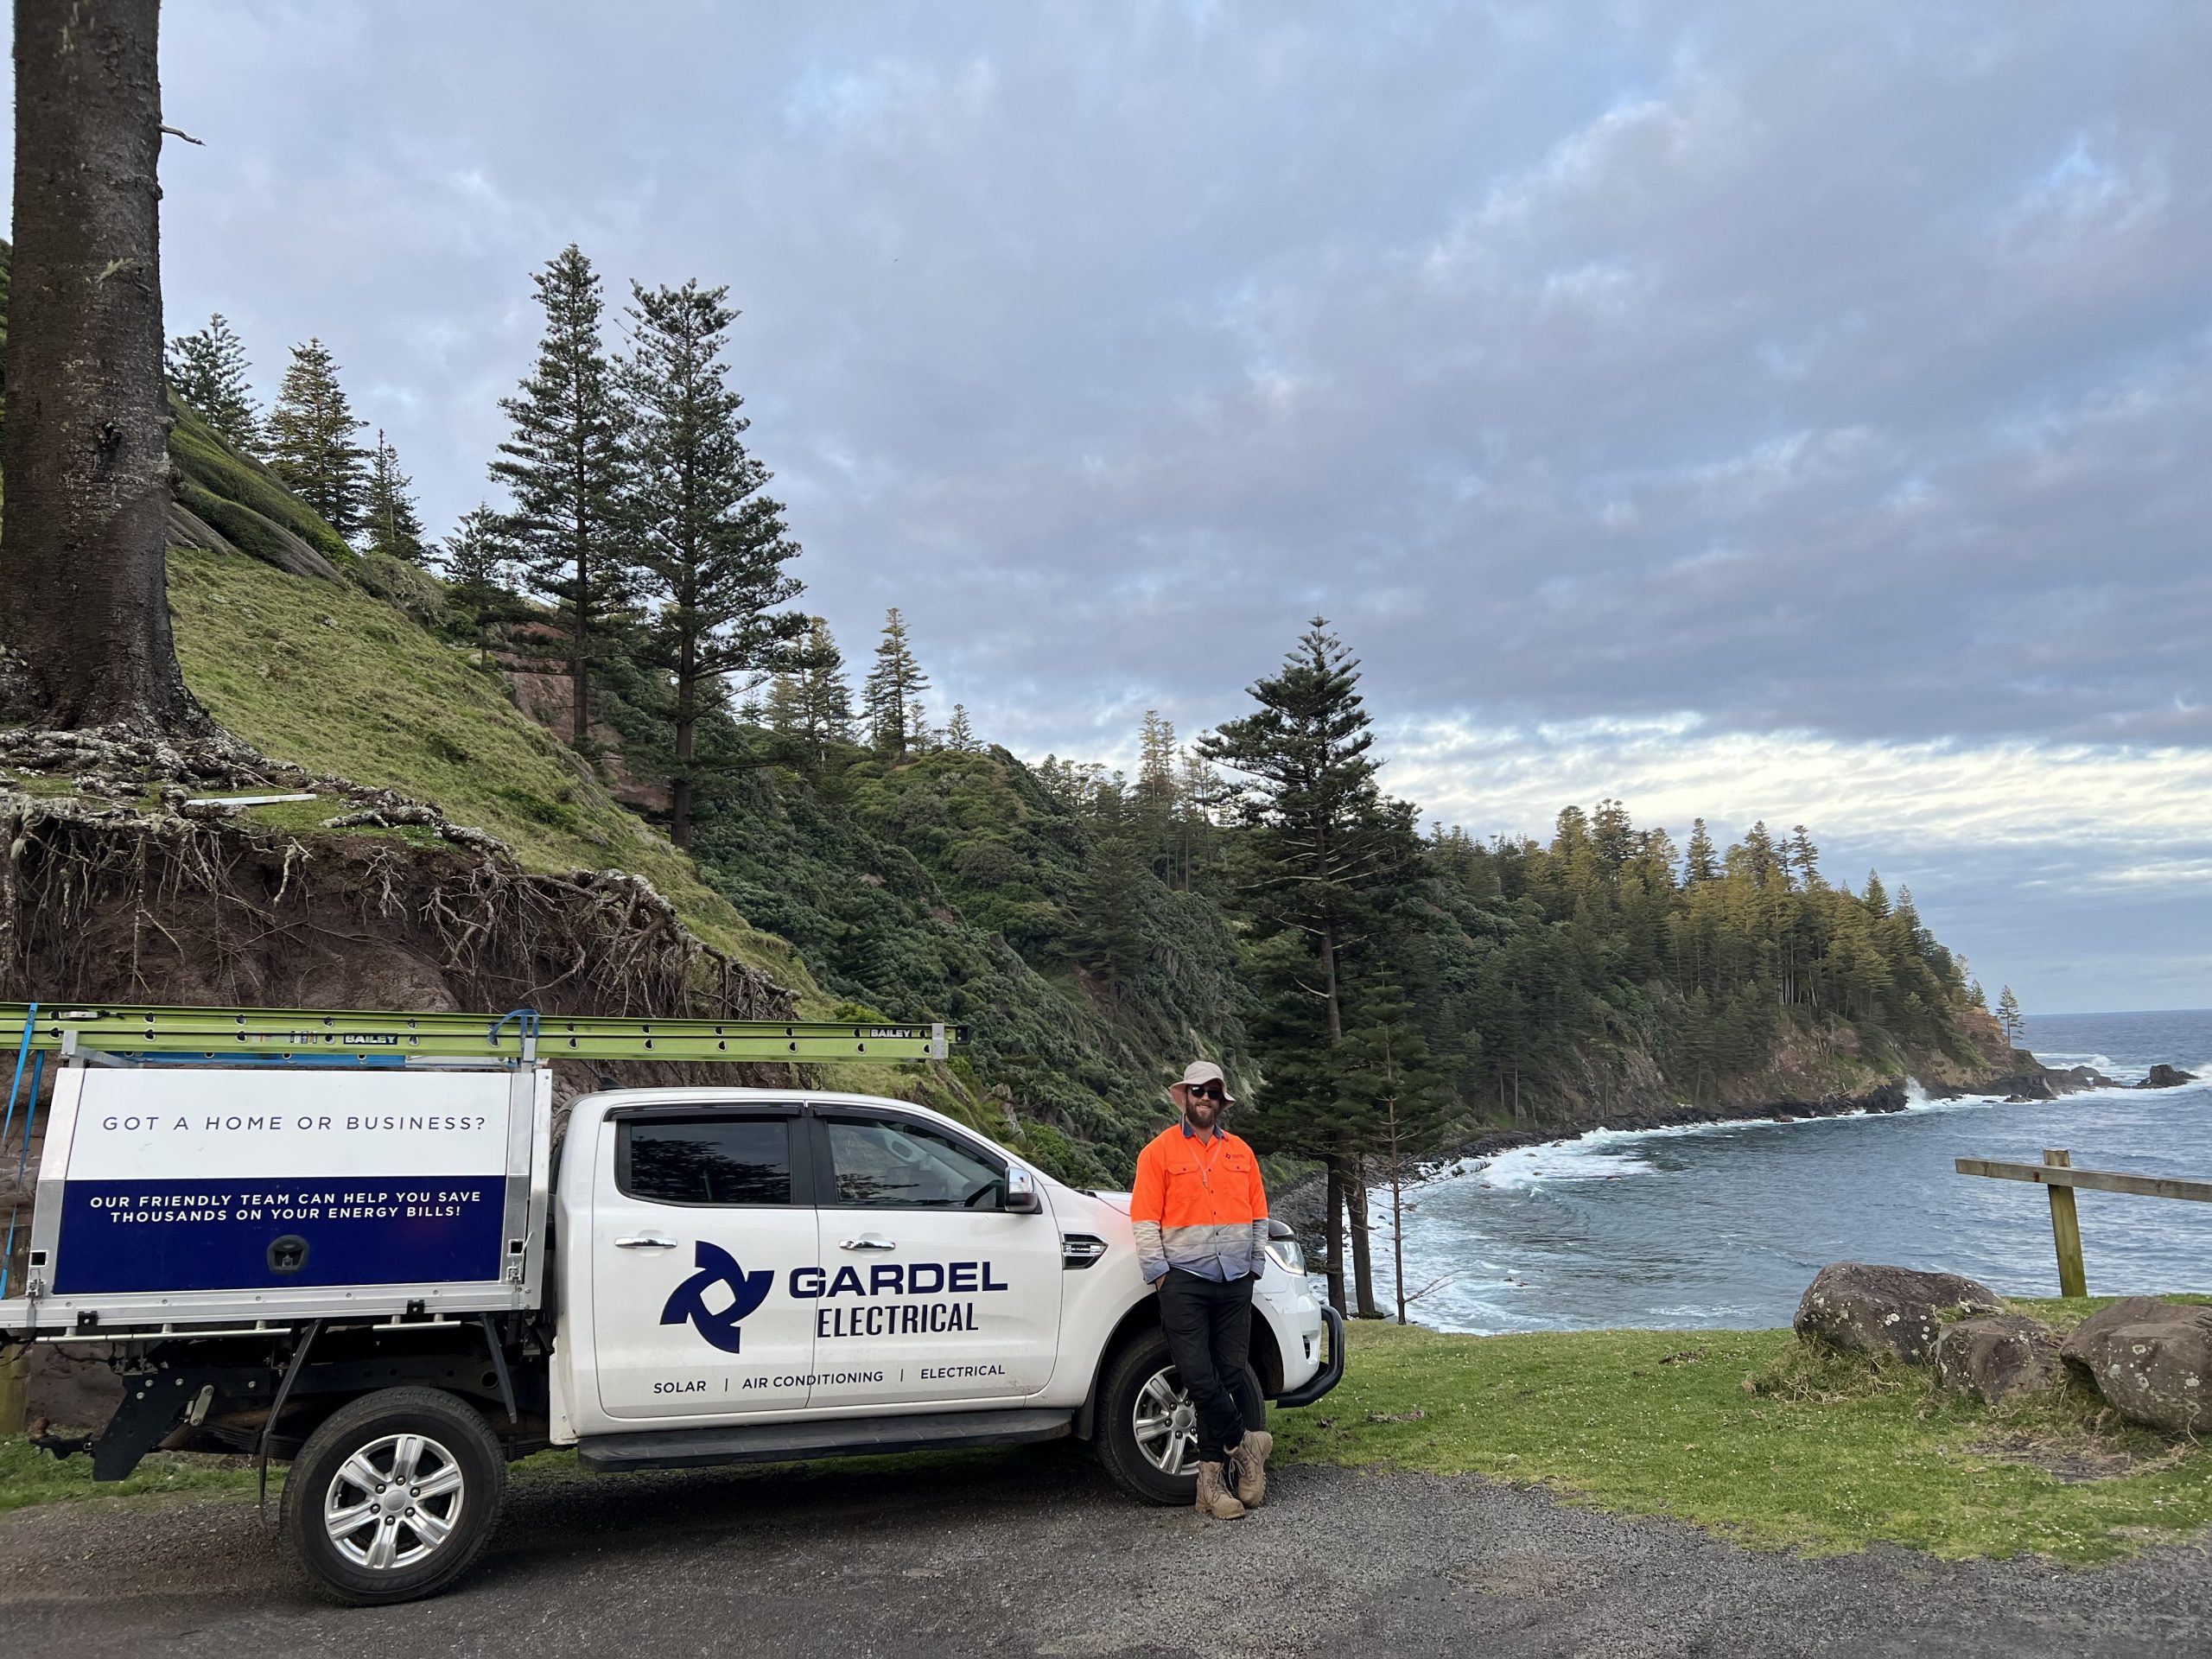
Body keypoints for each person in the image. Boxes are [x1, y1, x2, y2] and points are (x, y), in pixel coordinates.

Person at [1128, 1058, 1273, 1520]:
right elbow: (1145, 1220)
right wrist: (1161, 1274)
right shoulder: (1158, 1152)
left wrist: (1253, 1267)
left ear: (1221, 1100)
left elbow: (1259, 1215)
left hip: (1235, 1280)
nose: (1205, 1099)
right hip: (1184, 1282)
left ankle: (1209, 1488)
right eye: (1197, 1091)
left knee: (1229, 1375)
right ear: (1184, 1097)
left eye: (1213, 1092)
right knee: (1197, 1374)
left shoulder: (1241, 1153)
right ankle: (1247, 1445)